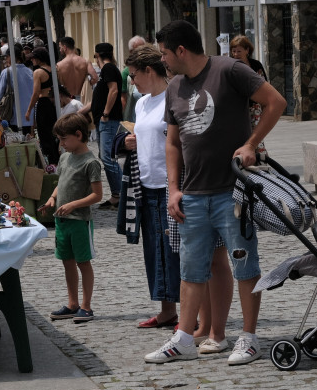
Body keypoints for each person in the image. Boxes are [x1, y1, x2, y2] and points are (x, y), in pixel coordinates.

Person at [144, 20, 286, 366]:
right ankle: (182, 339)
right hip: (193, 194)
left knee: (244, 265)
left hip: (232, 192)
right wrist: (174, 189)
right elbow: (173, 143)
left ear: (181, 50)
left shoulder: (229, 69)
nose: (163, 61)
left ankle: (249, 339)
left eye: (164, 54)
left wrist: (251, 143)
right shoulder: (175, 86)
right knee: (191, 270)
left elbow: (275, 102)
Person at [121, 45, 181, 329]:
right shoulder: (142, 102)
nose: (131, 81)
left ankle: (194, 312)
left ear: (149, 70)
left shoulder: (173, 96)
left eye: (134, 75)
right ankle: (167, 310)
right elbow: (134, 136)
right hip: (145, 184)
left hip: (170, 184)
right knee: (155, 250)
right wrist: (125, 142)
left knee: (177, 250)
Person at [41, 113, 102, 323]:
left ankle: (86, 306)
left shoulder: (91, 162)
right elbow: (62, 182)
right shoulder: (66, 157)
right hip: (62, 220)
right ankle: (72, 303)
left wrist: (73, 205)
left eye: (64, 139)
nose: (61, 144)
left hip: (79, 221)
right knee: (67, 262)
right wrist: (52, 198)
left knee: (83, 263)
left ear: (79, 134)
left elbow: (98, 195)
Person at [87, 42, 123, 210]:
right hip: (103, 120)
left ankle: (122, 194)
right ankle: (117, 195)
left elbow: (113, 90)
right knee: (106, 157)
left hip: (108, 121)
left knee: (109, 158)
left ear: (97, 55)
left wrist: (106, 113)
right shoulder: (109, 70)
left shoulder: (108, 68)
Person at [230, 35, 268, 154]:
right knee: (240, 137)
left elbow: (264, 84)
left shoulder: (255, 65)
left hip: (254, 107)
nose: (236, 54)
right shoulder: (230, 66)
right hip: (237, 108)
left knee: (257, 137)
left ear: (247, 50)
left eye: (239, 51)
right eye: (234, 51)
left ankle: (261, 161)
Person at [25, 47, 60, 165]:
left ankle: (50, 163)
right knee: (53, 133)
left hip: (43, 103)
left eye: (33, 58)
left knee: (44, 135)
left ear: (39, 59)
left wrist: (29, 110)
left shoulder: (38, 72)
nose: (32, 60)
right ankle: (55, 160)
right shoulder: (54, 70)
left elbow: (35, 93)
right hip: (53, 104)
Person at [0, 44, 35, 136]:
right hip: (28, 115)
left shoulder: (7, 72)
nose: (6, 60)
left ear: (12, 57)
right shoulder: (30, 72)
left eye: (7, 57)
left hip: (11, 114)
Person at [121, 35, 148, 122]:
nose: (141, 52)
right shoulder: (126, 72)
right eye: (138, 49)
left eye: (143, 48)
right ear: (131, 51)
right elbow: (124, 98)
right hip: (134, 119)